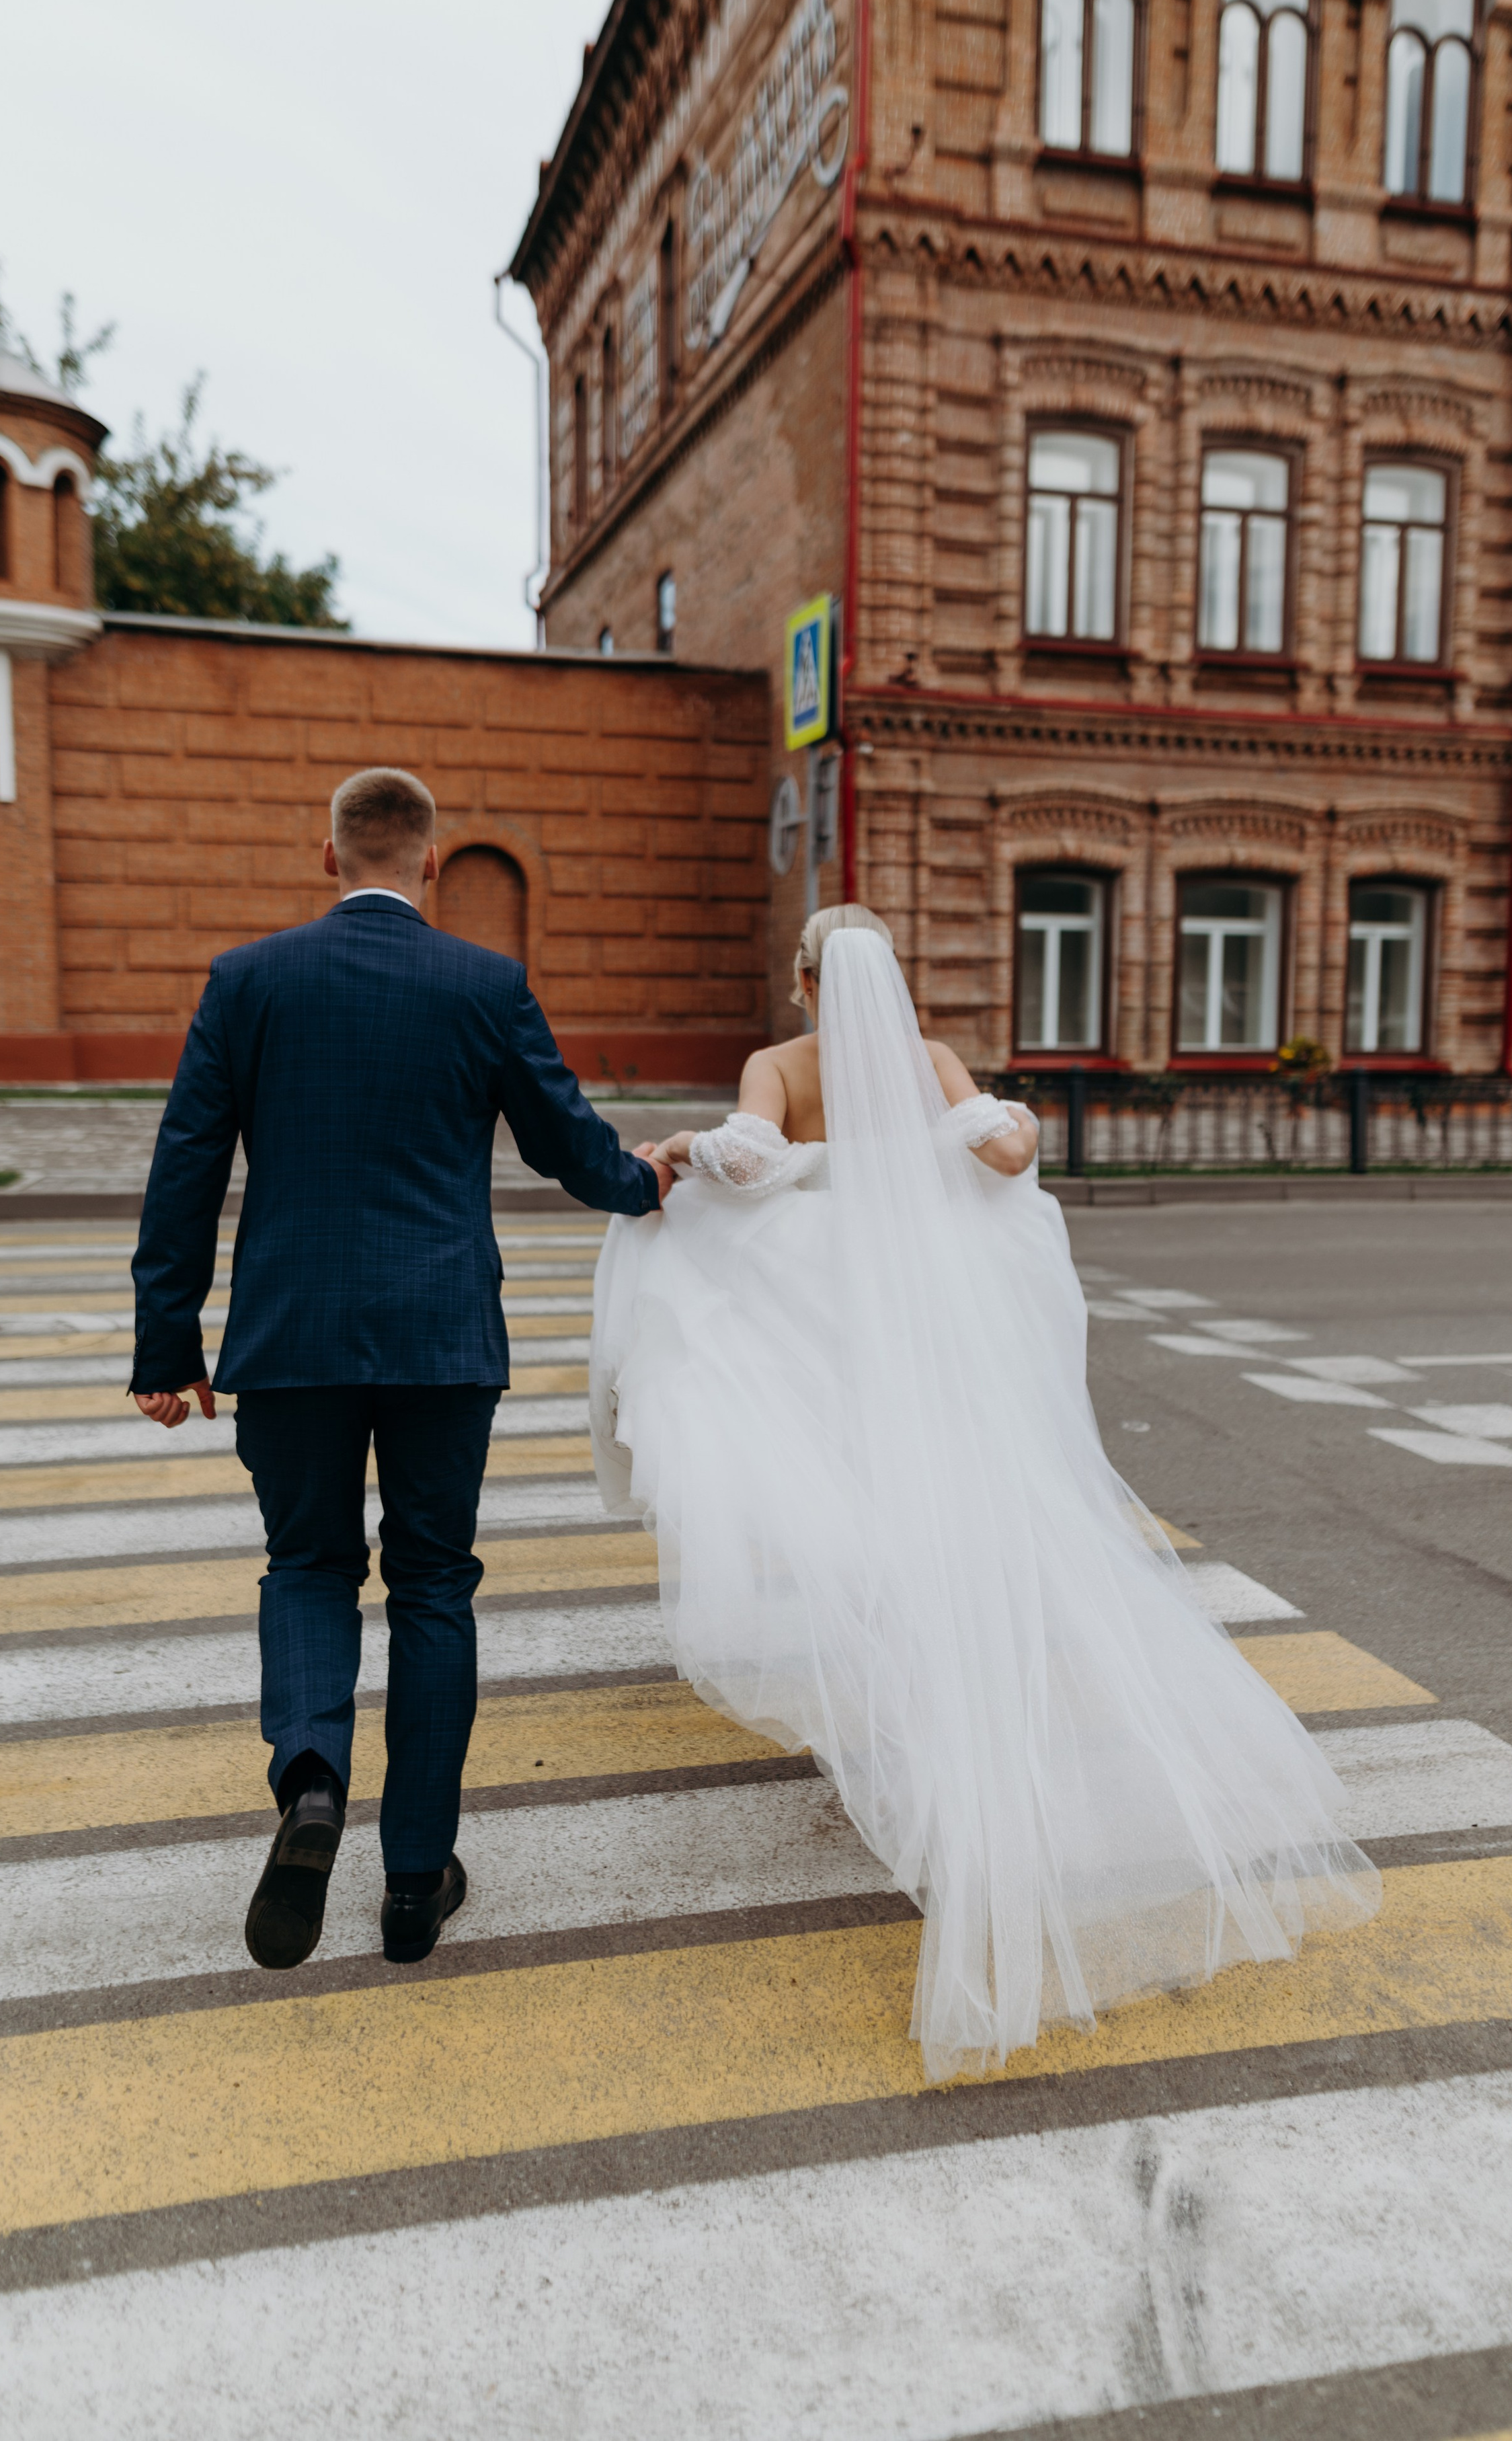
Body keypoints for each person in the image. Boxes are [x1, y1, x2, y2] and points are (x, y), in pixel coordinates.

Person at [590, 904, 1379, 2081]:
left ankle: (920, 1734)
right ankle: (1019, 1744)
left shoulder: (779, 1065)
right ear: (892, 984)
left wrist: (688, 1149)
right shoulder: (934, 1063)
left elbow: (750, 1166)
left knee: (867, 1523)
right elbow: (1007, 1158)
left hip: (833, 1342)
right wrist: (998, 1115)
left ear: (806, 980)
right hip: (942, 1341)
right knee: (967, 1516)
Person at [130, 768, 671, 1972]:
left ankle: (314, 1784)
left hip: (291, 1340)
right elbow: (568, 1148)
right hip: (440, 1343)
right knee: (434, 1588)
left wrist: (167, 1346)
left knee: (309, 1567)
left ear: (326, 857)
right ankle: (417, 1884)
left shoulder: (247, 981)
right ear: (431, 864)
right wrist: (652, 1181)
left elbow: (185, 1171)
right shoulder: (484, 983)